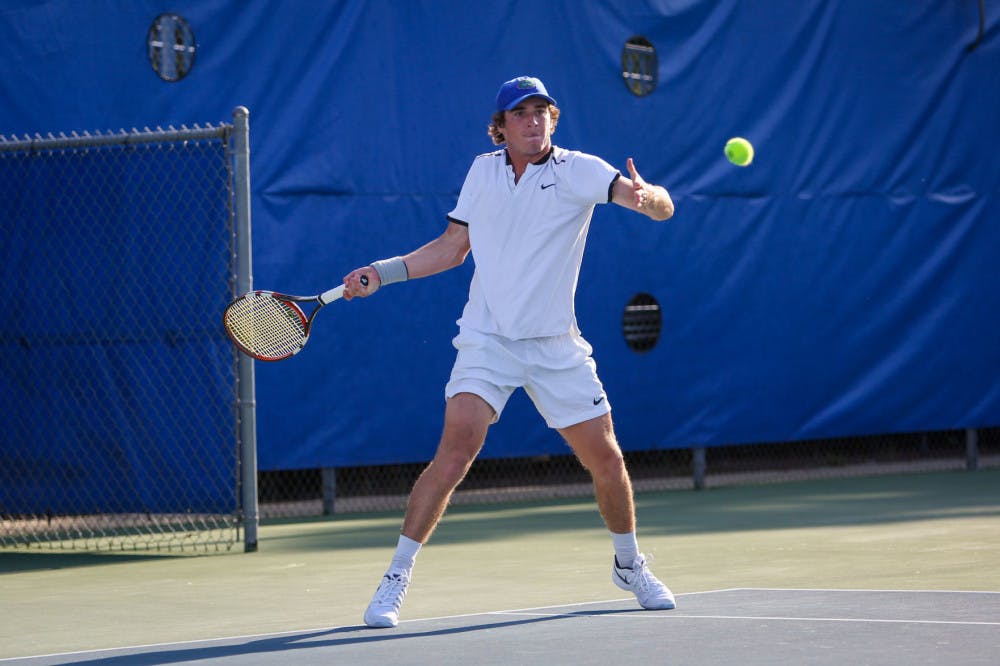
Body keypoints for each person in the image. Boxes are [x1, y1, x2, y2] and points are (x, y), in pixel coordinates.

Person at [342, 76, 676, 629]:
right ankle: (395, 578)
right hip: (487, 340)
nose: (533, 120)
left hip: (555, 346)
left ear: (553, 118)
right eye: (520, 113)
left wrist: (649, 199)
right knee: (454, 455)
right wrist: (383, 273)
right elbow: (452, 249)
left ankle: (629, 563)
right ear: (501, 126)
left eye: (542, 111)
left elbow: (658, 207)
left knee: (607, 459)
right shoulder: (482, 171)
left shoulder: (581, 170)